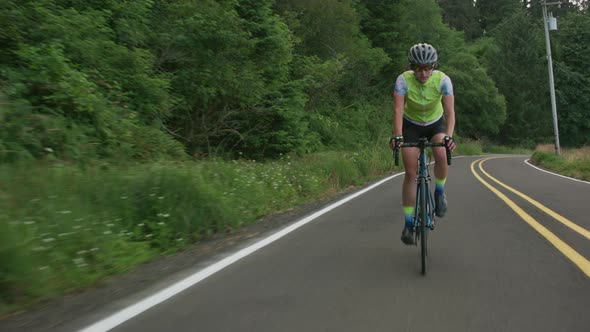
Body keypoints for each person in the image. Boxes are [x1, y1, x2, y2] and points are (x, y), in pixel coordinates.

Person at [390, 43, 457, 245]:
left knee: (442, 153)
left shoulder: (443, 80)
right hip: (412, 125)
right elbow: (398, 111)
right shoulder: (403, 80)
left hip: (436, 124)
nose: (423, 72)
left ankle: (439, 192)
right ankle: (409, 225)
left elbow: (450, 112)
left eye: (428, 67)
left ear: (433, 66)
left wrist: (449, 136)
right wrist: (398, 136)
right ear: (412, 67)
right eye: (418, 68)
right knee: (411, 173)